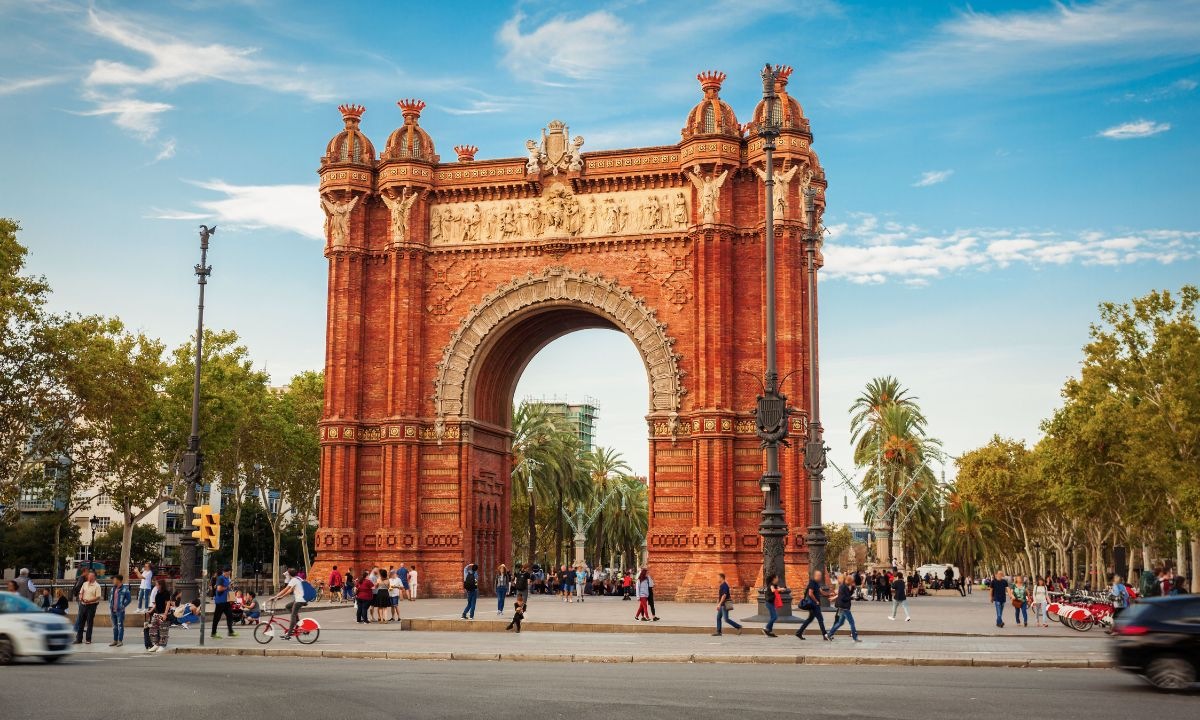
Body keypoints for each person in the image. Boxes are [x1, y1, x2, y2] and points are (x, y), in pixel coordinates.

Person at [269, 567, 308, 636]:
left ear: (289, 575)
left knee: (293, 615)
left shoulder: (294, 580)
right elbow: (289, 591)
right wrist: (280, 597)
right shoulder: (299, 578)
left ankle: (289, 633)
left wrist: (276, 597)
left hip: (299, 600)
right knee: (288, 606)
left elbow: (285, 590)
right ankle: (297, 621)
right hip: (302, 599)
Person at [796, 569, 830, 640]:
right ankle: (825, 635)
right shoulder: (812, 582)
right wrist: (816, 601)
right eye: (819, 575)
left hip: (813, 605)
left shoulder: (817, 584)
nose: (820, 577)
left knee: (810, 619)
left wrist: (829, 594)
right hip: (814, 604)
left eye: (820, 575)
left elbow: (821, 592)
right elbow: (810, 593)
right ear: (815, 576)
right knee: (820, 619)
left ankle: (799, 632)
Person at [826, 573, 861, 642]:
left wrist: (853, 588)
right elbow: (843, 598)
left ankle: (829, 634)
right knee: (852, 623)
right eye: (852, 582)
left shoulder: (845, 586)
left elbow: (848, 594)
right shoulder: (843, 587)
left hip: (843, 607)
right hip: (844, 608)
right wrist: (851, 598)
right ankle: (855, 637)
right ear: (849, 581)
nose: (852, 583)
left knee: (840, 623)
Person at [74, 571, 102, 644]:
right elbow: (81, 592)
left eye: (91, 576)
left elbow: (98, 597)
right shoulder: (84, 584)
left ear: (94, 577)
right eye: (89, 576)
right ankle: (78, 639)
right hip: (83, 605)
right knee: (80, 622)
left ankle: (88, 639)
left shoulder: (97, 586)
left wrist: (89, 600)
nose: (89, 577)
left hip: (91, 606)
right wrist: (81, 598)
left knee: (89, 623)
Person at [147, 578, 174, 653]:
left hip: (163, 613)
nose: (156, 586)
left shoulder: (166, 593)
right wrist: (150, 611)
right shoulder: (157, 593)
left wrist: (165, 614)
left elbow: (168, 603)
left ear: (161, 585)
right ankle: (156, 644)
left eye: (157, 585)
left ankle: (162, 645)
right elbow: (156, 604)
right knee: (153, 630)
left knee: (163, 631)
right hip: (157, 613)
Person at [211, 567, 238, 638]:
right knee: (217, 618)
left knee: (230, 616)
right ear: (226, 572)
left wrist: (229, 586)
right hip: (220, 601)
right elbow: (219, 589)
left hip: (226, 601)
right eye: (229, 572)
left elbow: (226, 587)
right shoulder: (221, 578)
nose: (230, 573)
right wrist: (227, 587)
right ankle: (213, 633)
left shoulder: (226, 578)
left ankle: (230, 631)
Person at [108, 574, 131, 647]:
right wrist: (110, 604)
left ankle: (120, 641)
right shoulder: (113, 588)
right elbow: (109, 597)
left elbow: (129, 599)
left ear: (118, 580)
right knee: (114, 626)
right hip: (113, 610)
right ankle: (115, 640)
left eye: (114, 579)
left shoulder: (125, 589)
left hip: (120, 611)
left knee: (120, 625)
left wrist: (123, 605)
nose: (113, 581)